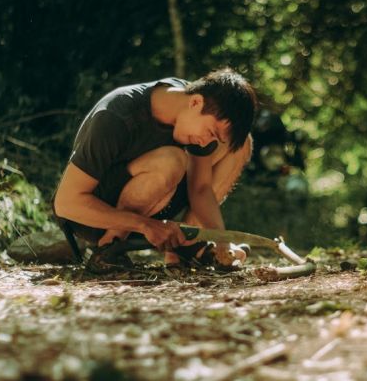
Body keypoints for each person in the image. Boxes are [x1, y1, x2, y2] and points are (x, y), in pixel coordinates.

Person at [53, 67, 256, 270]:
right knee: (171, 160)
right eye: (210, 132)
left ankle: (186, 247)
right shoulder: (116, 115)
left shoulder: (191, 106)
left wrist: (221, 240)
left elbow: (201, 189)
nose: (205, 144)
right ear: (195, 102)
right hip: (92, 215)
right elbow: (65, 204)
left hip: (154, 205)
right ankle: (109, 248)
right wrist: (145, 225)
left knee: (240, 145)